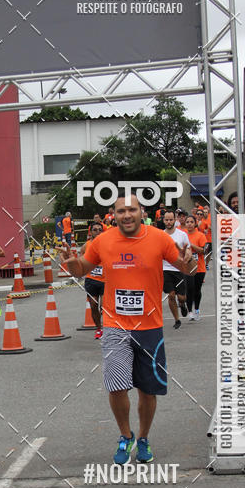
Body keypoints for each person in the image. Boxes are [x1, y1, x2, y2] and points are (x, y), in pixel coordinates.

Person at [60, 195, 192, 465]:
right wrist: (72, 263)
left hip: (150, 327)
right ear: (114, 215)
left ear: (141, 212)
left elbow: (184, 267)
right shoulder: (103, 241)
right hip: (115, 328)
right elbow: (82, 268)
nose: (127, 215)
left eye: (132, 210)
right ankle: (125, 435)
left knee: (148, 390)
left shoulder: (158, 238)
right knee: (117, 387)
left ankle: (143, 438)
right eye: (121, 211)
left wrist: (190, 262)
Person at [162, 209, 190, 329]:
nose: (169, 222)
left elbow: (188, 249)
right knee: (171, 295)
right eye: (167, 220)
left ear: (175, 220)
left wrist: (187, 255)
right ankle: (177, 319)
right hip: (165, 269)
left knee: (181, 297)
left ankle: (183, 304)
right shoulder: (161, 235)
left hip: (179, 269)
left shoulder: (182, 234)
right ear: (163, 220)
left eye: (171, 219)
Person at [84, 222, 105, 339]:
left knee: (104, 306)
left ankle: (108, 327)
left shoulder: (107, 245)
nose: (97, 232)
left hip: (105, 280)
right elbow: (81, 260)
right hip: (91, 279)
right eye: (95, 230)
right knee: (93, 305)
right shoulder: (86, 246)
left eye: (100, 230)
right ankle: (99, 328)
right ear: (90, 232)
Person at [184, 214, 207, 319]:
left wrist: (191, 245)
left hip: (199, 267)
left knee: (197, 290)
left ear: (195, 223)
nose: (189, 224)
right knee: (189, 289)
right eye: (187, 222)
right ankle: (190, 311)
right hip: (187, 267)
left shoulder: (200, 235)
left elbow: (203, 251)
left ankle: (197, 309)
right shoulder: (182, 235)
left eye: (191, 222)